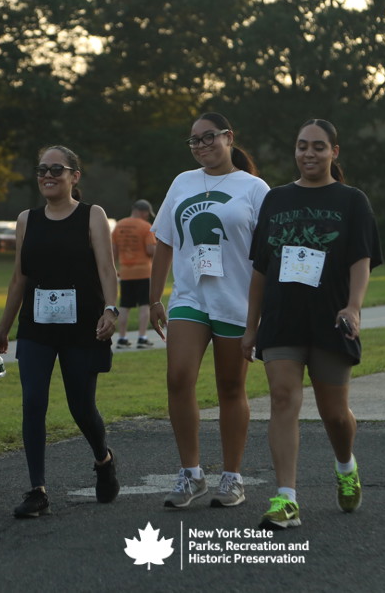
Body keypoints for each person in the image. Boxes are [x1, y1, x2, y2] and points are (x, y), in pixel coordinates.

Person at [242, 119, 382, 529]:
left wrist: (353, 307)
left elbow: (361, 259)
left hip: (330, 319)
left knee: (334, 413)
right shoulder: (276, 199)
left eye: (319, 147)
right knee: (283, 399)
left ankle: (345, 465)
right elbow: (260, 269)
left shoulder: (352, 200)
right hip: (282, 317)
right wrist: (251, 327)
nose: (309, 153)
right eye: (302, 145)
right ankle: (286, 499)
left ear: (334, 152)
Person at [0, 145, 120, 518]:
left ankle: (103, 459)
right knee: (33, 402)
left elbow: (107, 269)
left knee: (81, 407)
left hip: (82, 327)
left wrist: (111, 309)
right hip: (37, 327)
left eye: (56, 169)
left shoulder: (93, 215)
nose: (47, 175)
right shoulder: (26, 219)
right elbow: (19, 278)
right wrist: (3, 329)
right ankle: (37, 490)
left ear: (74, 176)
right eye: (42, 169)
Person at [149, 112, 269, 509]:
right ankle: (191, 473)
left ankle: (232, 477)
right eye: (194, 140)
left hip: (236, 302)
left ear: (228, 137)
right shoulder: (183, 182)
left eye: (209, 137)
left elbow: (267, 253)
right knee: (178, 378)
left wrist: (261, 311)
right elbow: (165, 240)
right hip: (190, 297)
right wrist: (154, 298)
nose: (201, 146)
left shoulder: (254, 188)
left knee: (231, 387)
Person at [111, 199, 157, 349]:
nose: (147, 216)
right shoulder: (146, 226)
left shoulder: (119, 226)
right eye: (147, 214)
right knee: (144, 305)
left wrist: (114, 268)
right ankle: (142, 338)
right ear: (143, 212)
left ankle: (122, 338)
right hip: (143, 272)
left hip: (125, 272)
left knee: (124, 306)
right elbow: (150, 250)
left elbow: (113, 252)